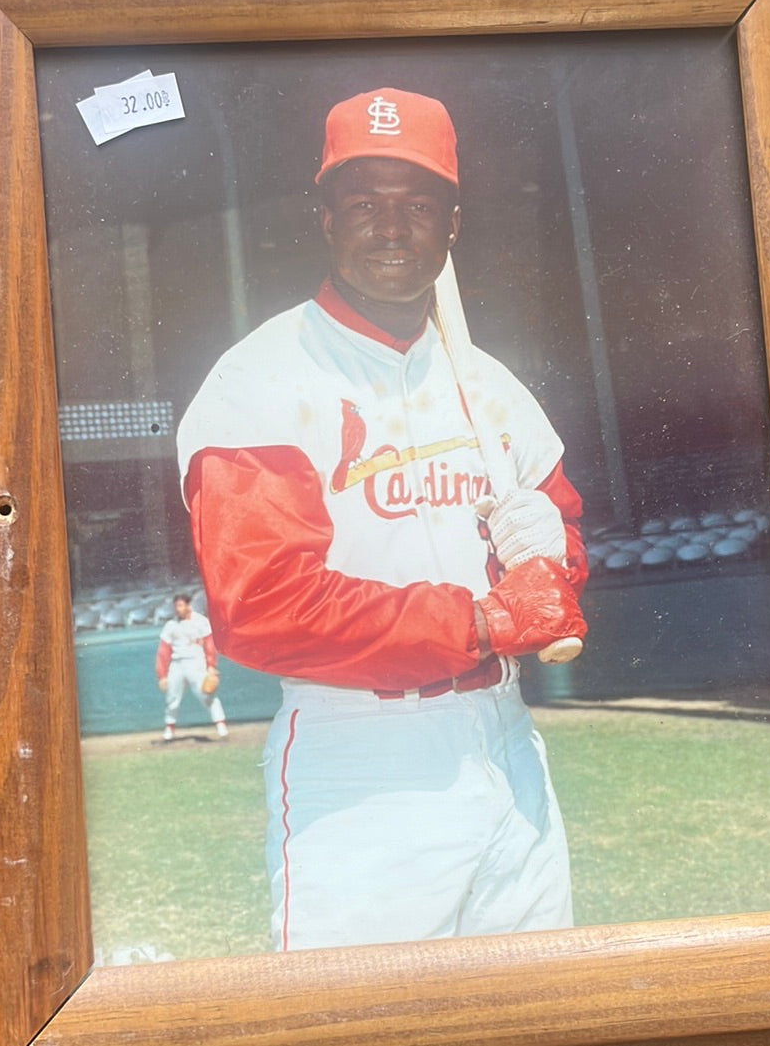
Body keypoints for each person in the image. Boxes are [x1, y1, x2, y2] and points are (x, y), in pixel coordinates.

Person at [175, 86, 588, 950]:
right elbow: (265, 606)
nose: (392, 227)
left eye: (418, 203)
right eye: (364, 202)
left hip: (510, 746)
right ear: (322, 215)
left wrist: (553, 558)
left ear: (453, 223)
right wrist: (479, 619)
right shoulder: (260, 380)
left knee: (538, 1015)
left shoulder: (491, 385)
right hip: (361, 759)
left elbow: (559, 545)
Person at [154, 593, 228, 740]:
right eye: (176, 606)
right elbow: (163, 651)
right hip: (177, 664)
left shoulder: (201, 621)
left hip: (196, 662)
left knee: (206, 694)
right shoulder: (171, 625)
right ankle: (169, 728)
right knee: (172, 697)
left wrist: (211, 666)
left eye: (181, 605)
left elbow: (209, 645)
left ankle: (221, 725)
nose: (178, 609)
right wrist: (162, 675)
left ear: (189, 605)